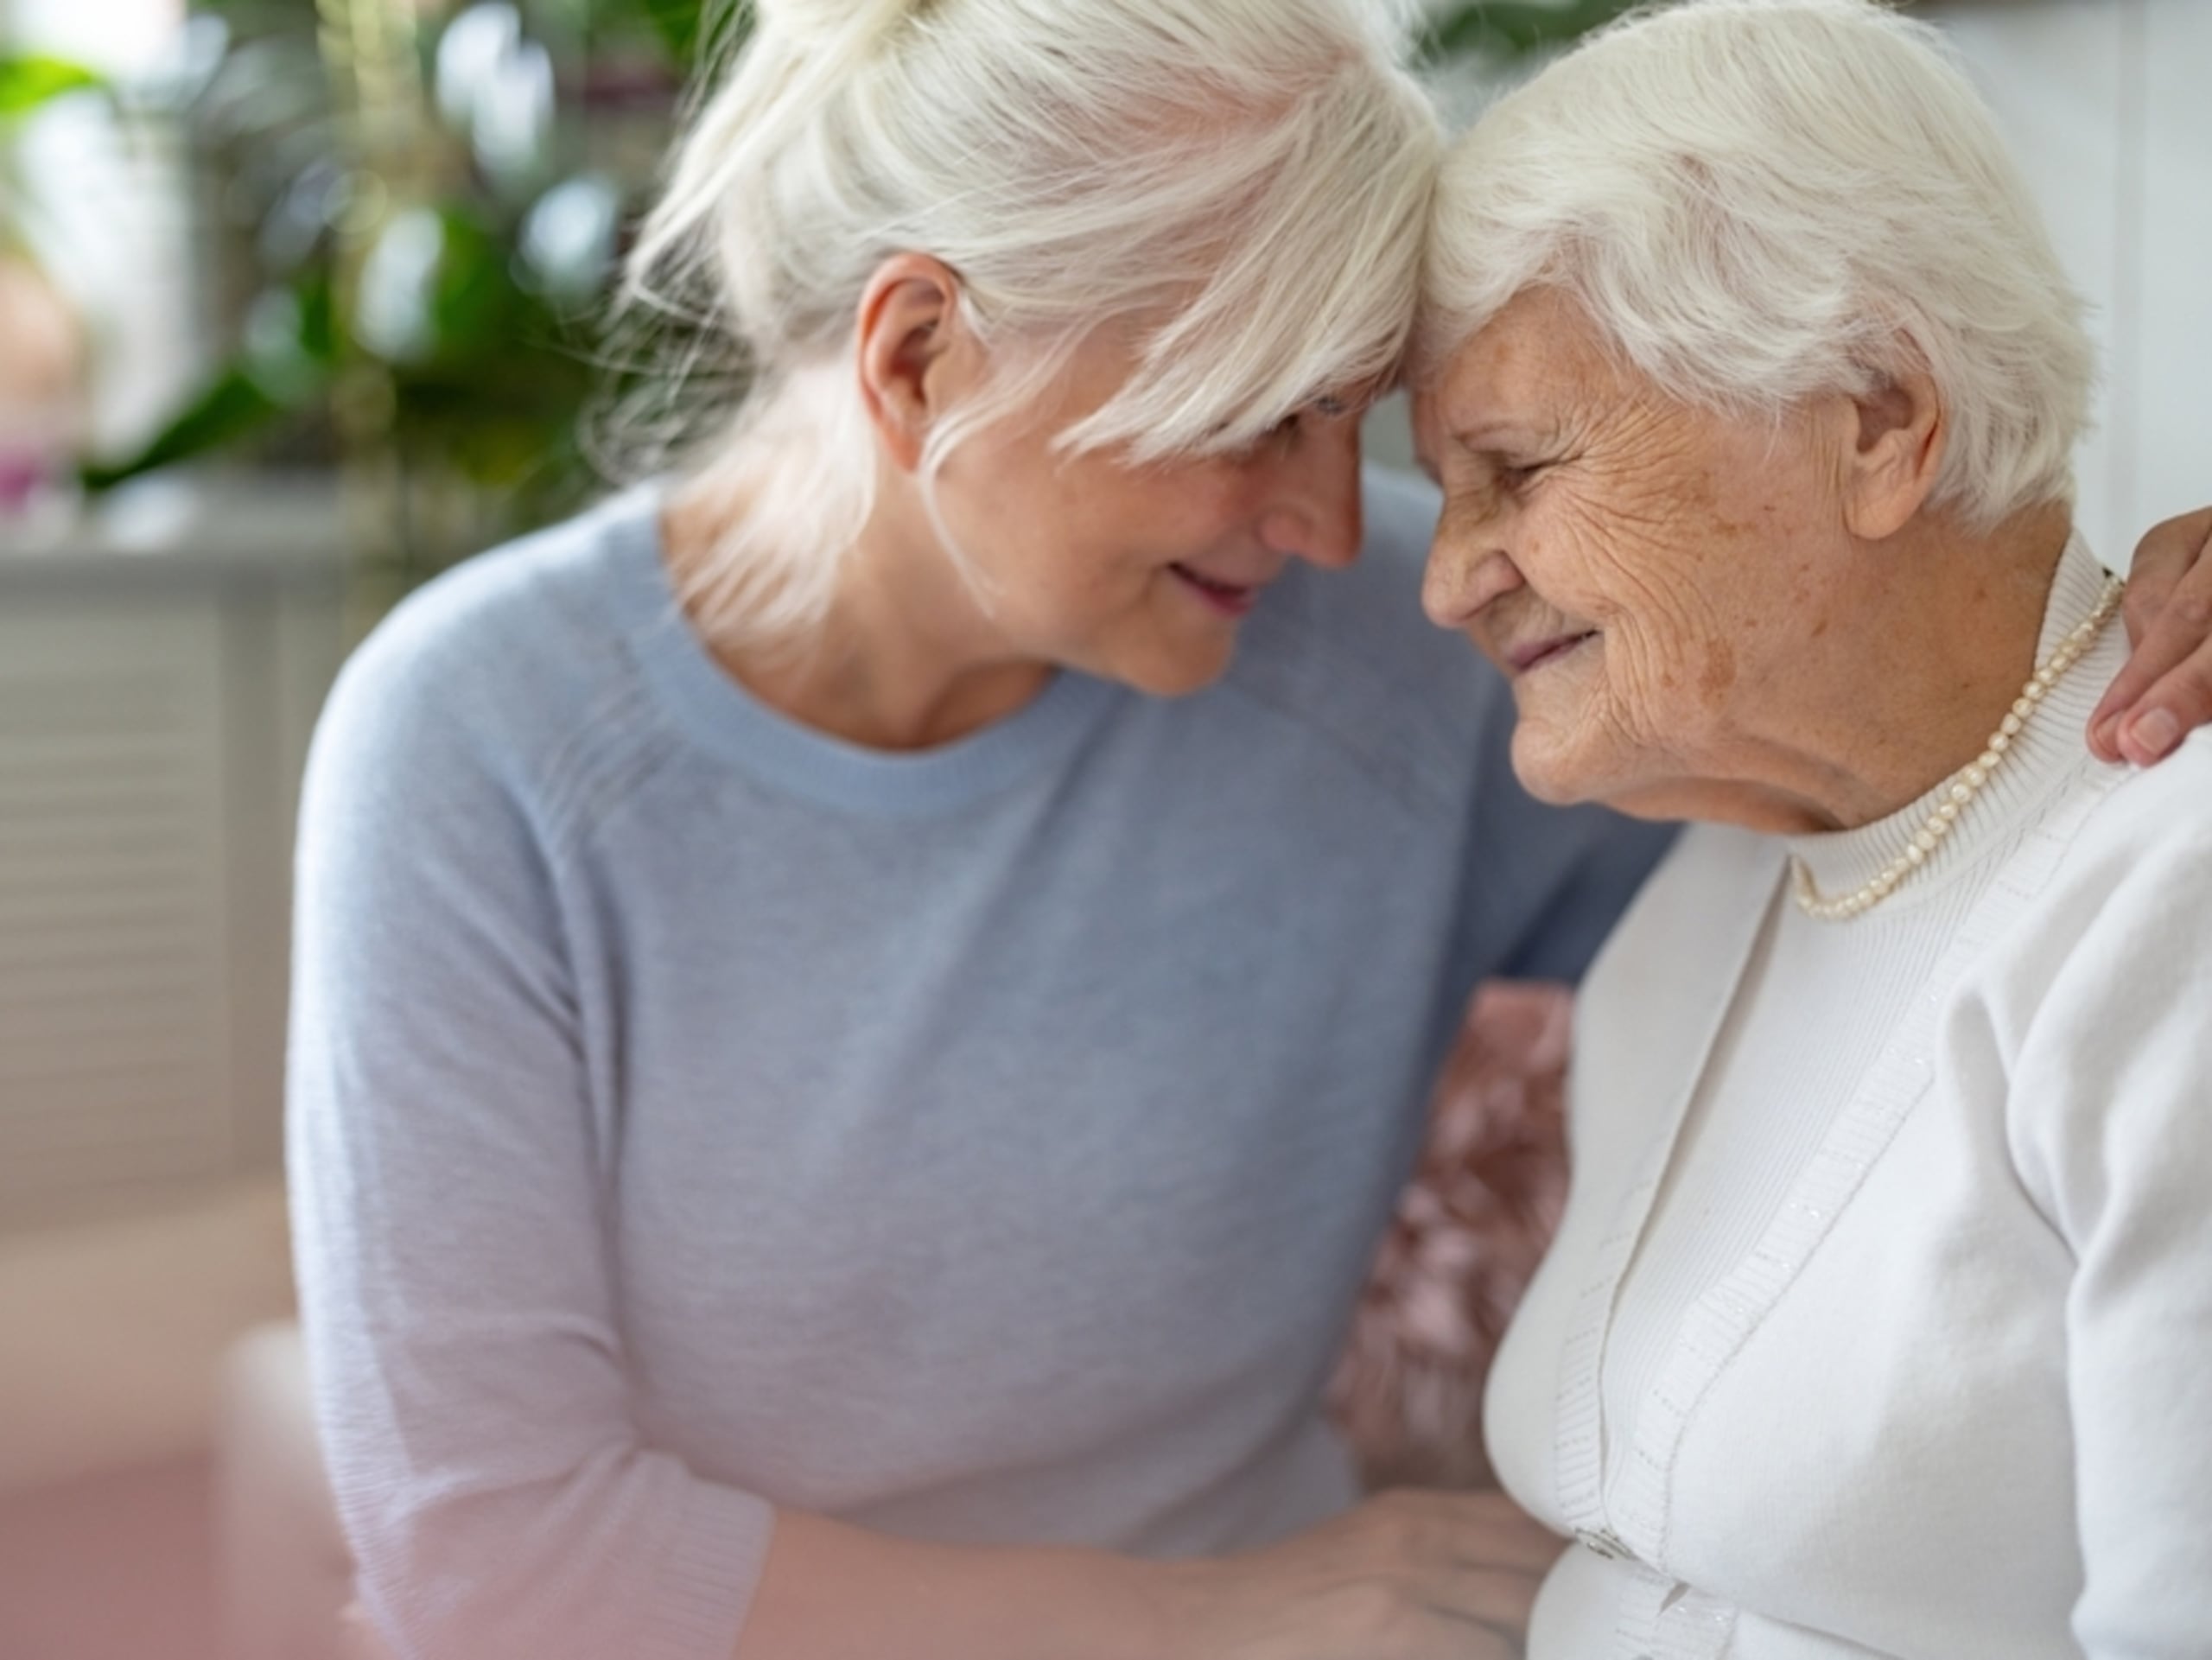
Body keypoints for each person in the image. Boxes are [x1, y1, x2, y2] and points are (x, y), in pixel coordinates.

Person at [287, 1, 2212, 1657]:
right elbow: (485, 1548)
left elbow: (1918, 787)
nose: (1328, 526)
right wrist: (1193, 1620)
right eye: (1246, 417)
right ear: (915, 360)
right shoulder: (479, 745)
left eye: (1347, 416)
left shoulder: (1387, 643)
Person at [1413, 3, 2212, 1656]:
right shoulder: (1709, 876)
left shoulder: (2170, 899)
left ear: (1876, 417)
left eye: (1515, 469)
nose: (1443, 579)